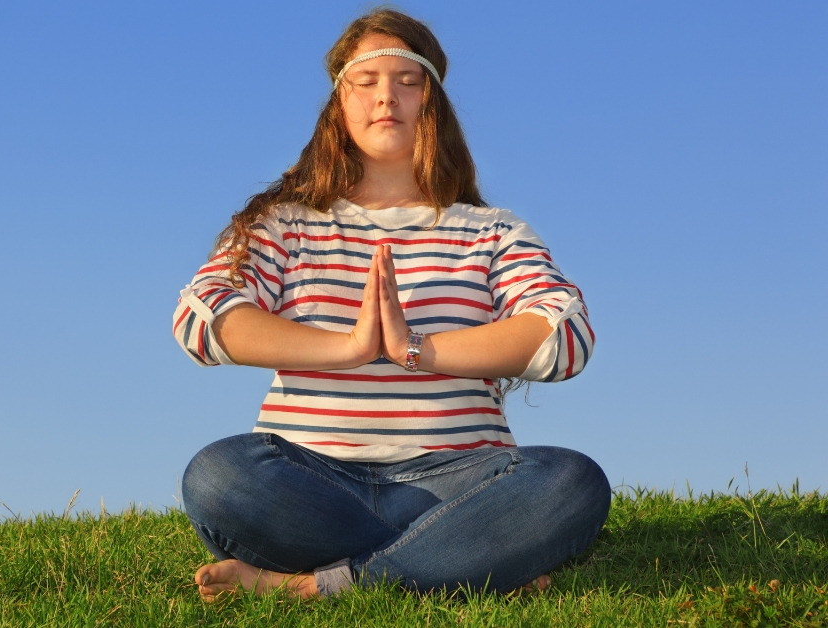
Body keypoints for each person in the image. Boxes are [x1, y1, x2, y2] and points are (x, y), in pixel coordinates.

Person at [171, 8, 610, 601]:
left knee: (571, 482)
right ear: (339, 104)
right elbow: (203, 315)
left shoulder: (491, 230)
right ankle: (470, 559)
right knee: (218, 476)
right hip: (312, 477)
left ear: (433, 104)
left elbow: (565, 334)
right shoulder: (284, 225)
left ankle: (319, 585)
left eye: (409, 81)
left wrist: (415, 348)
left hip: (462, 479)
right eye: (367, 82)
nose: (388, 98)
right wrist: (348, 348)